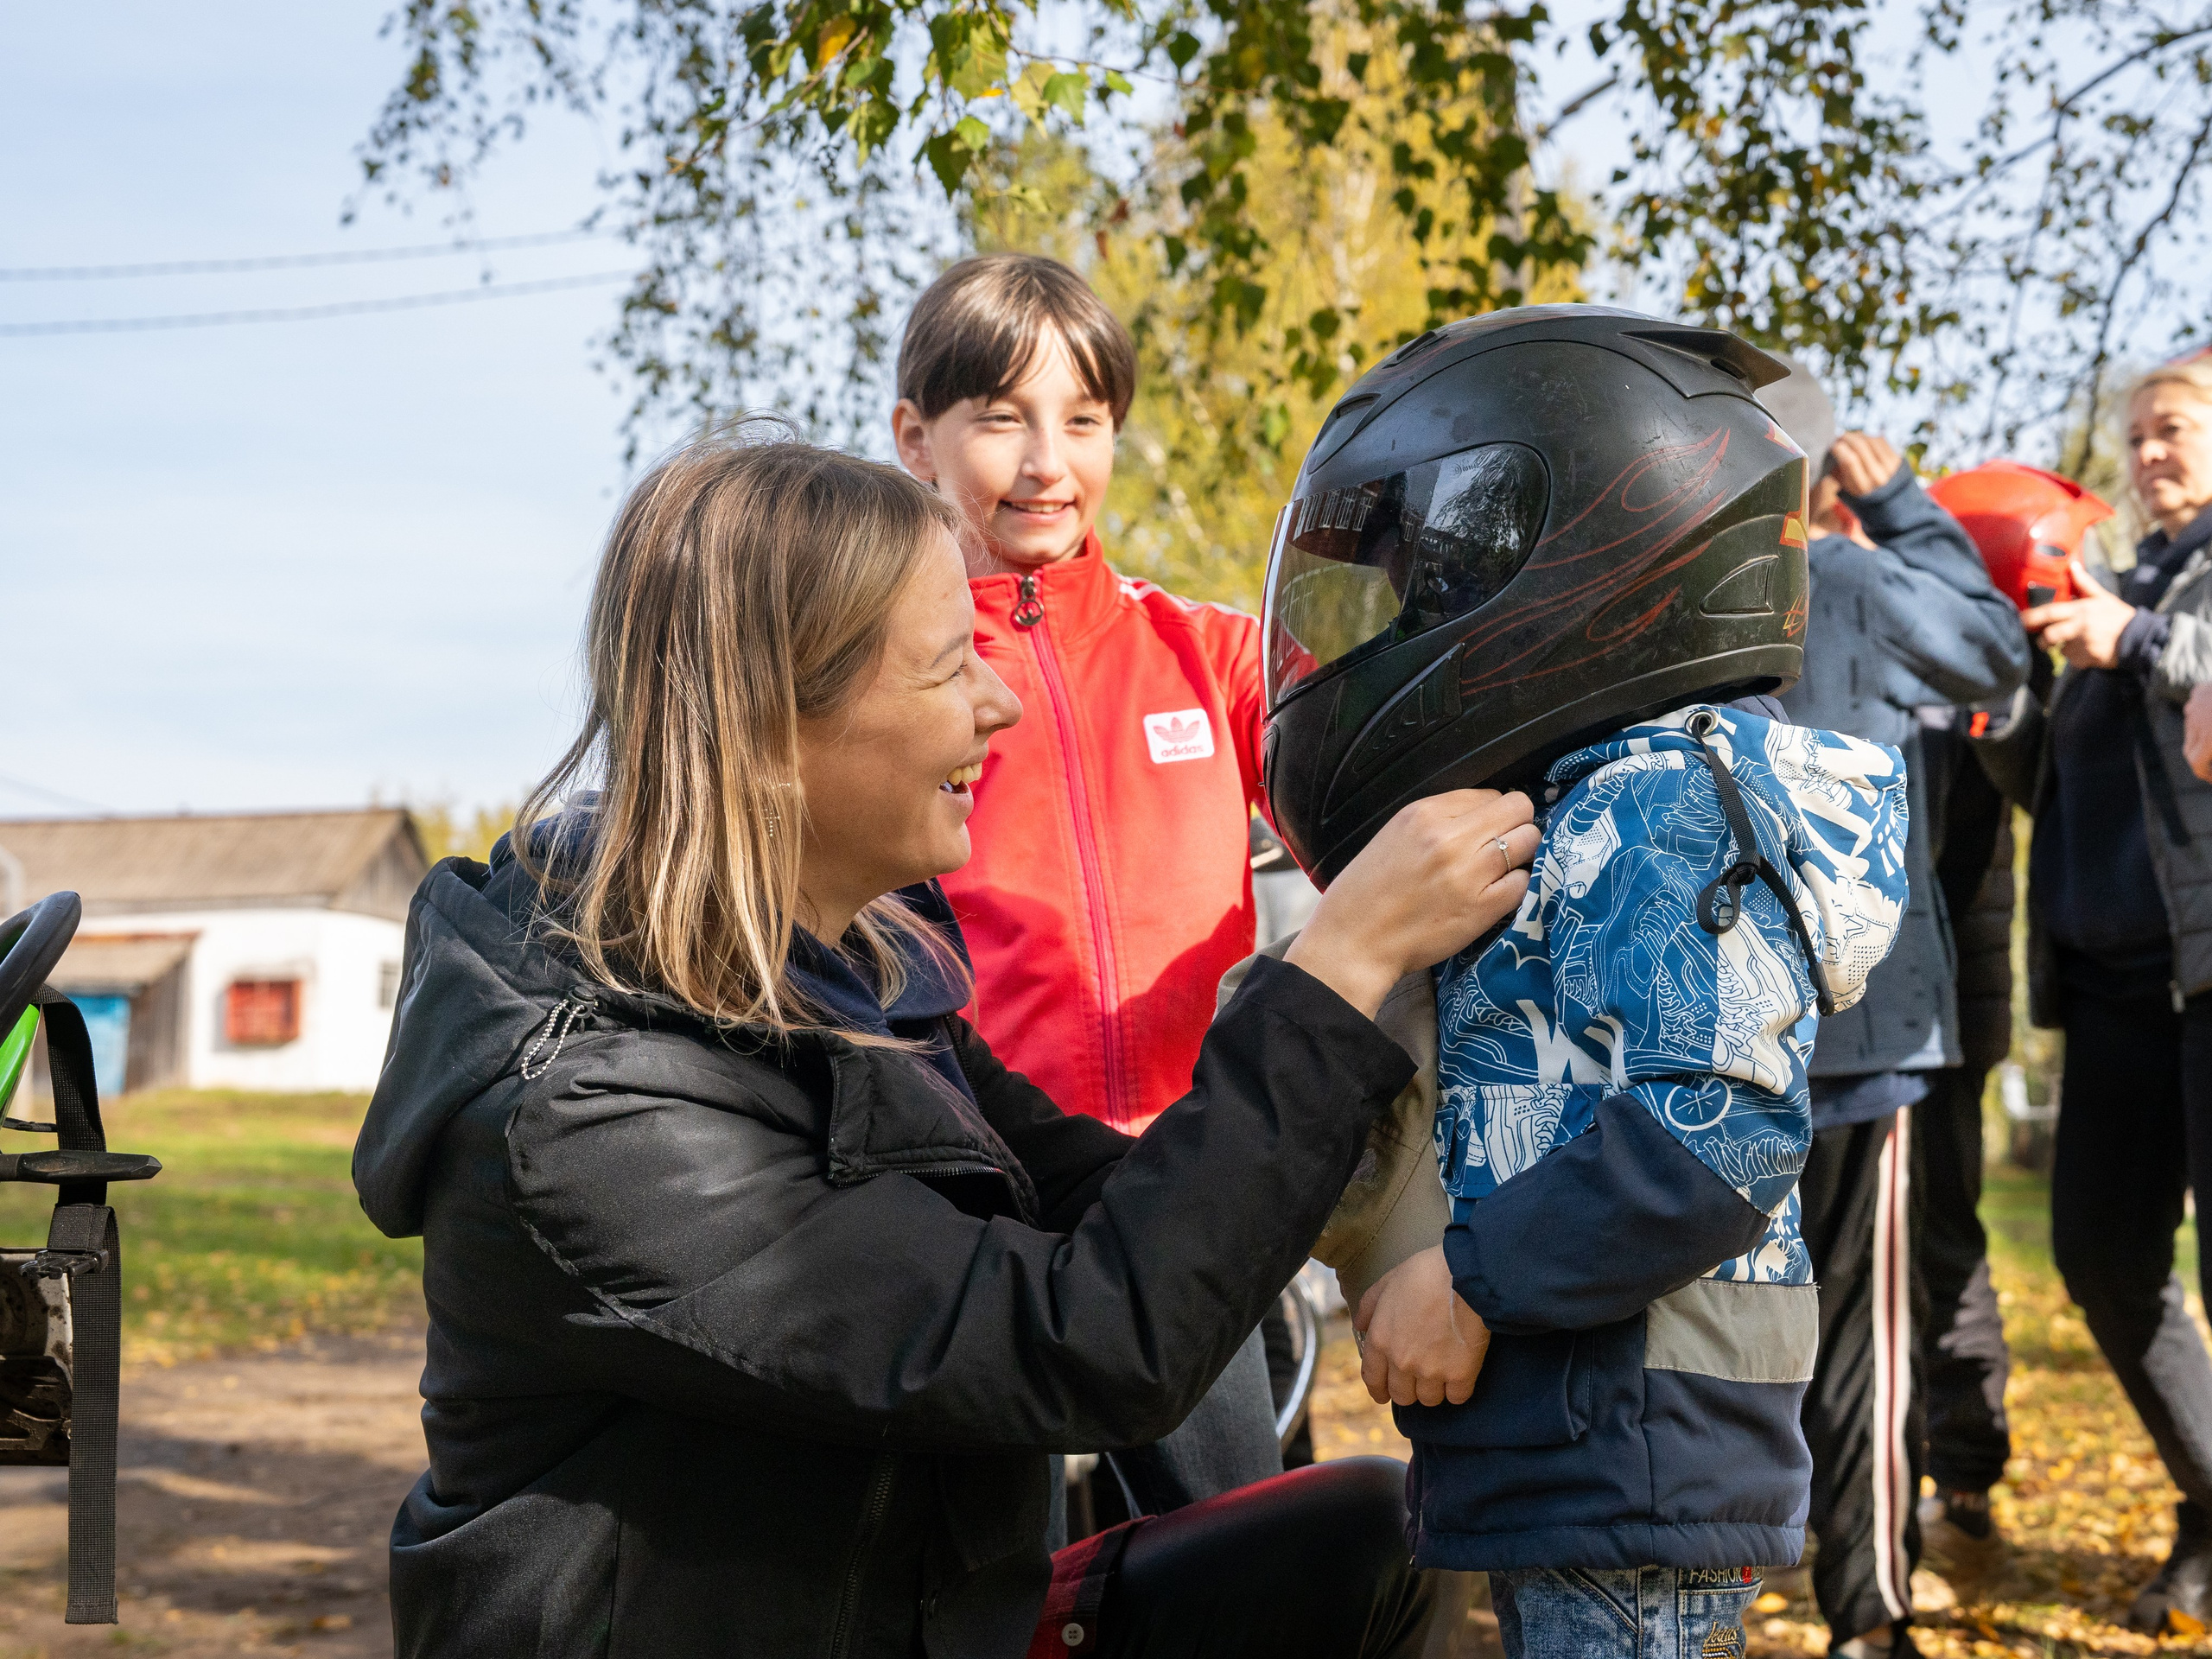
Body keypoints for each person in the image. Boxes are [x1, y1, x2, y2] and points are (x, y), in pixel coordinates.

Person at [352, 429, 1542, 1656]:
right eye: (946, 667)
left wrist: (1418, 1236)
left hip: (923, 1621)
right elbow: (1091, 1342)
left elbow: (1122, 1209)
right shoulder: (594, 1123)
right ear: (771, 721)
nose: (1002, 699)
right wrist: (1340, 965)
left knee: (1358, 1541)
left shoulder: (860, 976)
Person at [1253, 305, 1909, 1659]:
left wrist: (1474, 1284)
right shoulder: (1570, 807)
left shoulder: (1654, 803)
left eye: (1421, 586)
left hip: (1631, 1447)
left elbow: (1716, 1129)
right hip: (1579, 1435)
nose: (1398, 622)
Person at [890, 253, 1284, 1515]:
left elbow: (1372, 789)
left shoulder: (1208, 653)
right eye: (1001, 417)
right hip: (974, 1199)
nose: (1047, 460)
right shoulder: (881, 679)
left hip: (1190, 1190)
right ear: (917, 437)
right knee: (986, 1569)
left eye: (1084, 420)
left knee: (1225, 1558)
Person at [1758, 363, 2031, 1659]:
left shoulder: (1668, 605)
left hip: (1722, 1033)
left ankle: (1731, 1563)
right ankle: (1865, 1616)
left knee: (1755, 1322)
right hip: (1864, 1037)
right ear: (1820, 486)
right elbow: (1995, 648)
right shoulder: (1854, 578)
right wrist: (1911, 505)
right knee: (1865, 1337)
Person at [1981, 350, 2212, 1632]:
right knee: (2100, 1256)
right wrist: (2009, 712)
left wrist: (2136, 640)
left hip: (2209, 972)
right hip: (2115, 988)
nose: (2147, 454)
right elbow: (2058, 792)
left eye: (2173, 428)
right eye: (2137, 435)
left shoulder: (2162, 602)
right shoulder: (2119, 588)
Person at [1915, 462, 2114, 1580]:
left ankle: (1966, 1470)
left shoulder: (2003, 677)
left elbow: (2039, 785)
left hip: (1948, 1009)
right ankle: (1871, 1459)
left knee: (1943, 1242)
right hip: (1869, 1012)